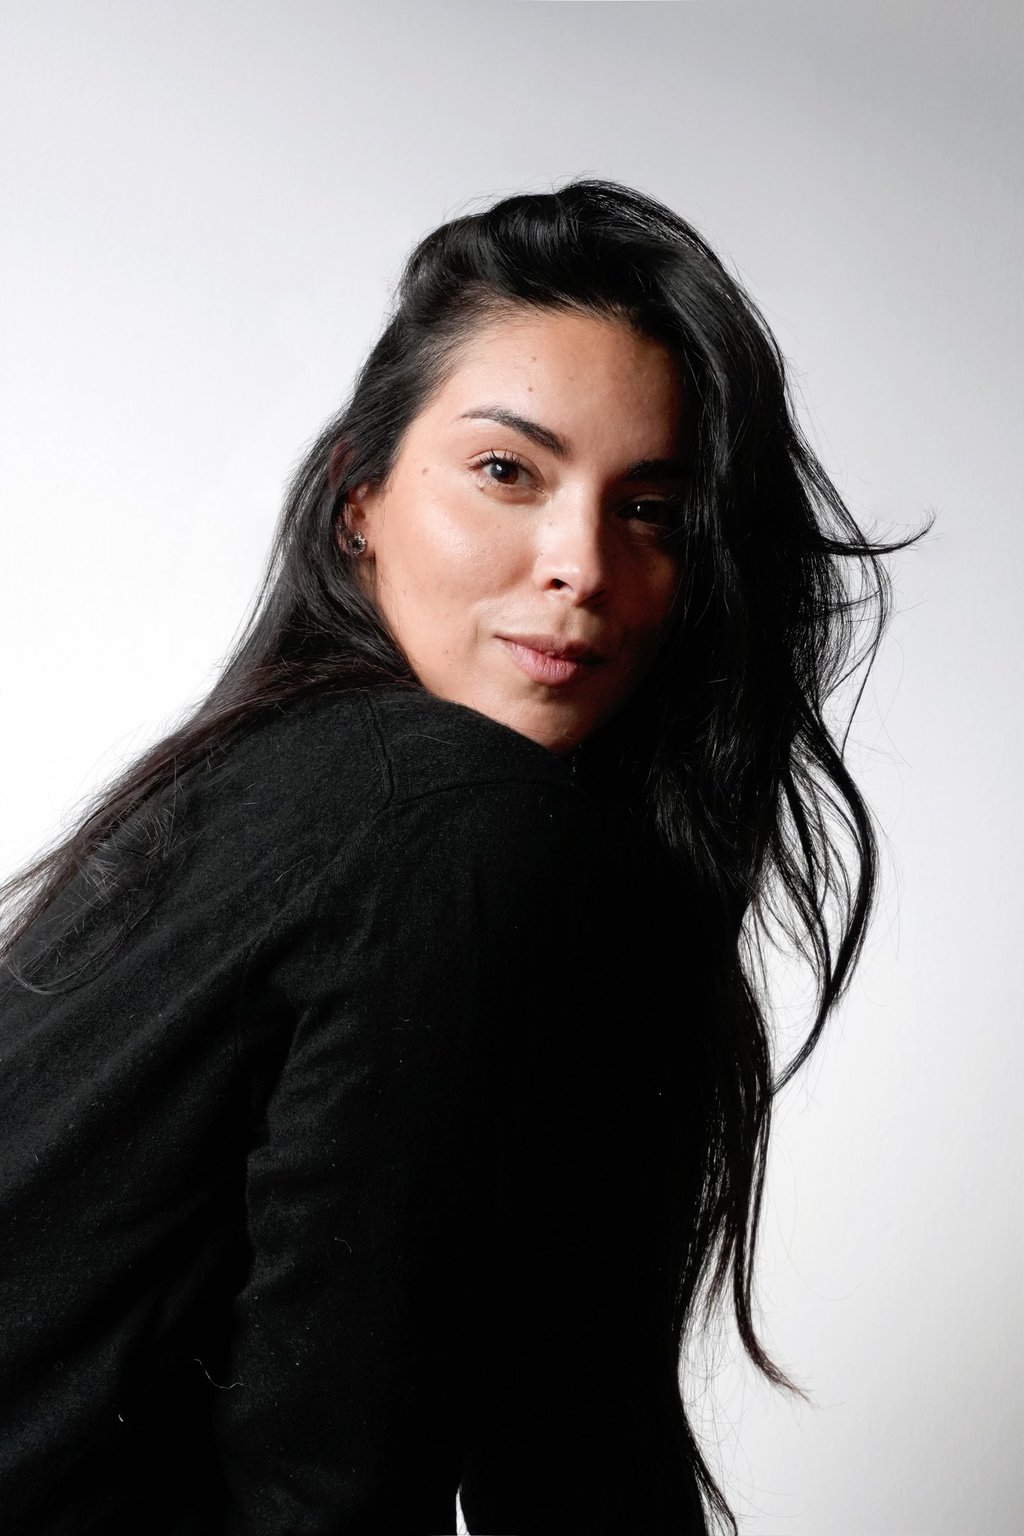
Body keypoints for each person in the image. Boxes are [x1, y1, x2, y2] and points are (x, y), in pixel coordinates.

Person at [0, 179, 924, 1535]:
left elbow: (554, 1427)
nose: (582, 566)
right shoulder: (440, 811)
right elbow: (330, 1488)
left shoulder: (298, 786)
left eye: (652, 511)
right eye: (508, 472)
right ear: (358, 499)